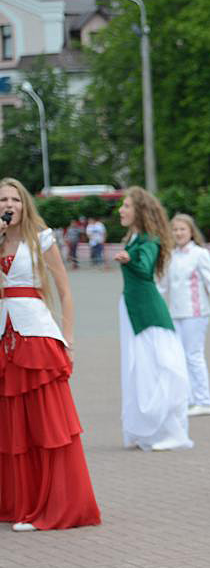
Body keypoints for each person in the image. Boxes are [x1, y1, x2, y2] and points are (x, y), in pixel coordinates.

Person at [0, 178, 101, 531]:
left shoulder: (40, 239)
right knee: (12, 426)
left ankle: (53, 505)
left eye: (15, 199)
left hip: (37, 336)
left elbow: (64, 290)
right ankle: (19, 502)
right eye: (2, 199)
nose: (8, 205)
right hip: (4, 338)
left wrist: (68, 338)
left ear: (25, 204)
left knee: (45, 424)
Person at [114, 188, 193, 452]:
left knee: (158, 369)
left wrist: (128, 260)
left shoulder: (148, 239)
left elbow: (145, 269)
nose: (121, 210)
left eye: (127, 206)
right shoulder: (136, 238)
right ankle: (147, 429)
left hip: (148, 312)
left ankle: (170, 430)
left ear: (140, 210)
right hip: (134, 309)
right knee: (140, 370)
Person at [160, 213, 210, 416]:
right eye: (175, 230)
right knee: (178, 357)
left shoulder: (199, 254)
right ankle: (187, 398)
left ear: (191, 232)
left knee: (194, 356)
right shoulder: (170, 255)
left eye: (182, 229)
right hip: (175, 312)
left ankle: (203, 401)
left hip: (195, 312)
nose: (178, 233)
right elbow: (163, 285)